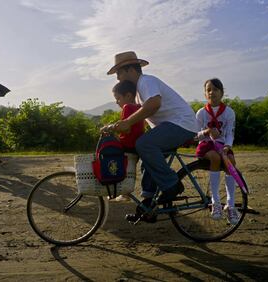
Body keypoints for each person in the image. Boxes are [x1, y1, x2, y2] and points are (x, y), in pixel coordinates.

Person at [107, 51, 198, 219]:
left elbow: (154, 104)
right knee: (147, 158)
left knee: (144, 145)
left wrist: (128, 122)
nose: (118, 79)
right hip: (173, 126)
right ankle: (149, 203)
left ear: (130, 70)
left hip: (182, 124)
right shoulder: (140, 91)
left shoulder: (146, 81)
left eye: (119, 73)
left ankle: (172, 184)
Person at [195, 78, 239, 225]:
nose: (211, 92)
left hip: (222, 145)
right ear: (205, 93)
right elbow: (196, 135)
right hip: (206, 146)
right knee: (214, 158)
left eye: (215, 89)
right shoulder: (201, 113)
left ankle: (230, 205)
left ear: (222, 92)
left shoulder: (229, 112)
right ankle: (216, 203)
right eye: (208, 90)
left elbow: (230, 132)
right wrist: (207, 131)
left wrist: (227, 146)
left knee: (231, 162)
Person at [101, 80, 145, 201]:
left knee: (109, 158)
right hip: (136, 145)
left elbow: (125, 129)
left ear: (128, 96)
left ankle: (113, 190)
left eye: (118, 98)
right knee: (129, 170)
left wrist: (111, 130)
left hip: (127, 144)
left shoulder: (127, 107)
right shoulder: (140, 108)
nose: (116, 102)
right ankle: (124, 193)